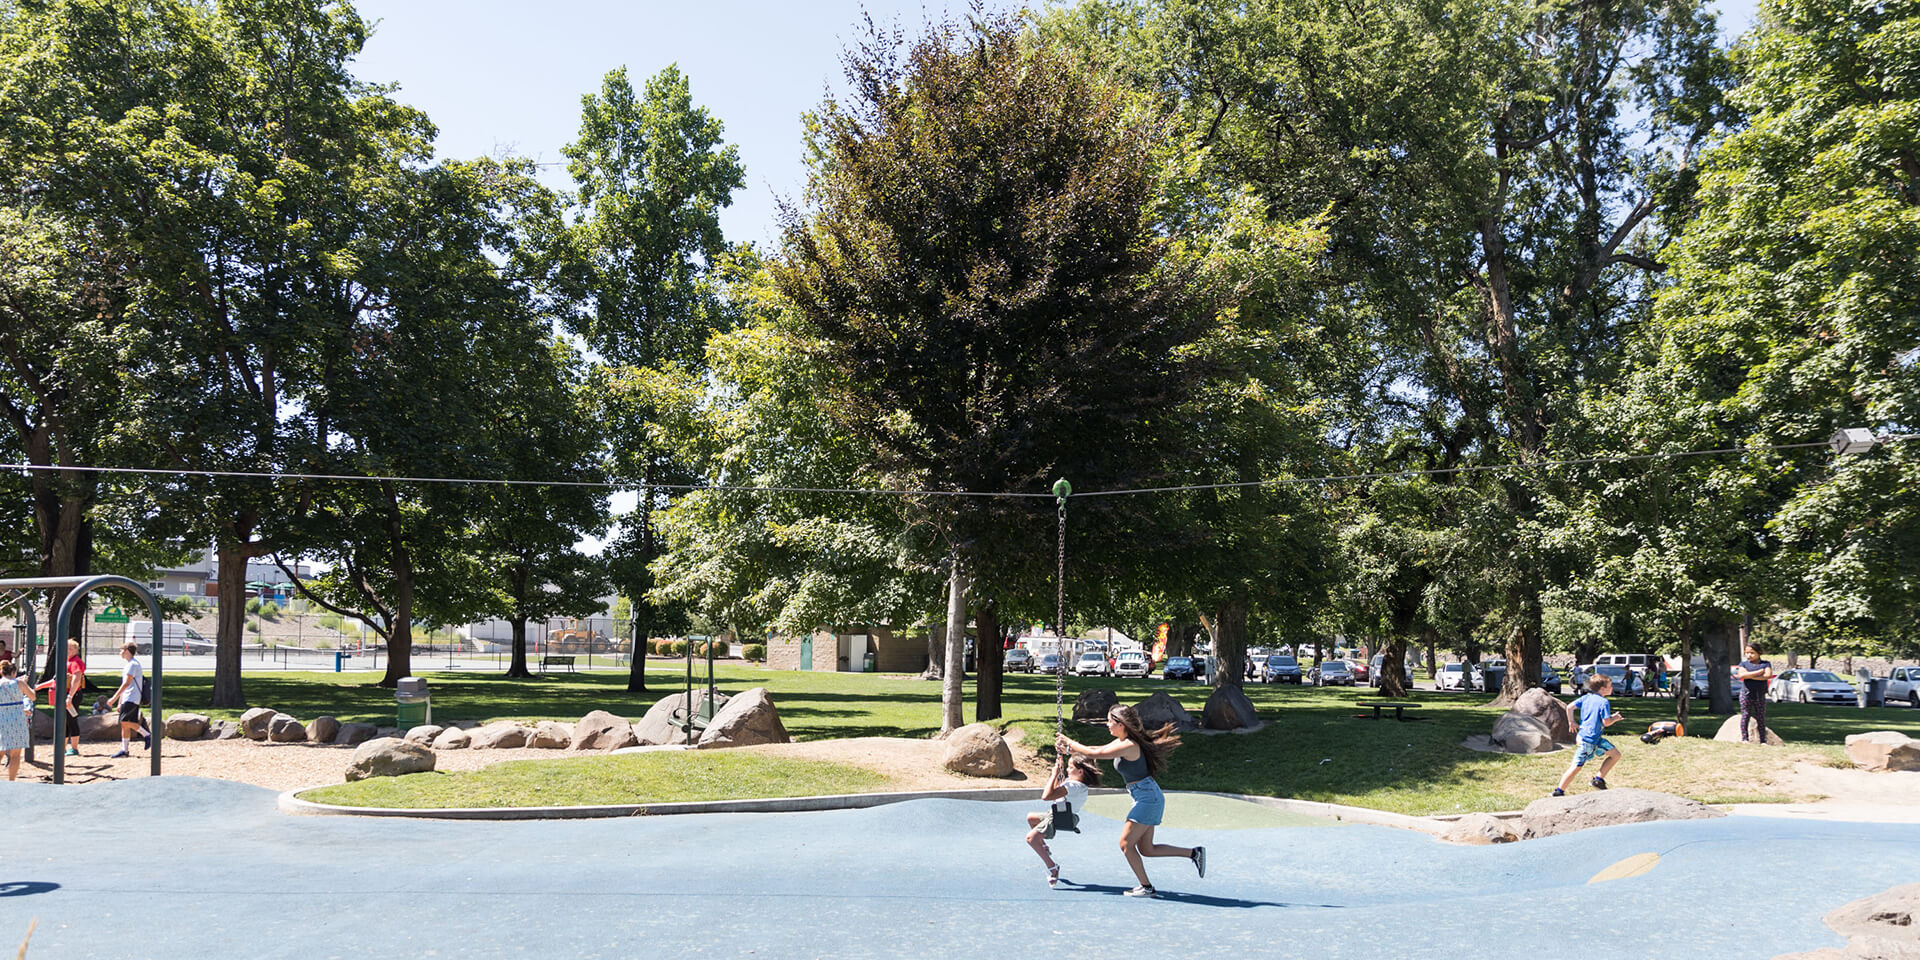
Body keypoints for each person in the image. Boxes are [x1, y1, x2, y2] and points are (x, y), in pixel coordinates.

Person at [1055, 705, 1205, 898]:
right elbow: (1095, 749)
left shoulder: (1129, 745)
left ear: (1121, 723)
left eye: (1110, 721)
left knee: (1126, 844)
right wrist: (1068, 749)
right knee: (1146, 849)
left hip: (1147, 798)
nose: (1107, 724)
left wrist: (1069, 740)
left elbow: (1095, 755)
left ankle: (1146, 887)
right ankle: (1194, 853)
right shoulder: (1123, 741)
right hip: (1145, 796)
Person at [1024, 753, 1100, 886]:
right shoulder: (1077, 785)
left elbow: (1046, 796)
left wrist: (1054, 774)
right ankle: (1044, 847)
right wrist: (1059, 765)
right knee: (1031, 818)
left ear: (1080, 771)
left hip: (1062, 816)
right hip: (1060, 813)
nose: (1067, 770)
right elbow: (1056, 788)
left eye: (1070, 767)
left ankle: (1053, 867)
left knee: (1031, 838)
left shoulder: (1074, 786)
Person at [1553, 674, 1623, 796]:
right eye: (1610, 686)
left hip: (1593, 738)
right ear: (1602, 689)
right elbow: (1606, 722)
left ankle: (1598, 780)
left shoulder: (1586, 698)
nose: (1612, 688)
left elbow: (1569, 707)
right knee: (1576, 766)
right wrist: (1615, 718)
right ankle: (1559, 791)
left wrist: (1572, 722)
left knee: (1615, 754)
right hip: (1588, 740)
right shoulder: (1604, 702)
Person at [106, 641, 151, 758]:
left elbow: (126, 683)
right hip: (127, 697)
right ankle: (124, 750)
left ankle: (146, 734)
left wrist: (113, 698)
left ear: (126, 651)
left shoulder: (133, 665)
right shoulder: (129, 664)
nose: (120, 652)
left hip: (132, 697)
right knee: (125, 725)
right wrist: (120, 702)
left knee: (124, 722)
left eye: (121, 650)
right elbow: (125, 685)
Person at [1733, 644, 1775, 743]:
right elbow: (1742, 675)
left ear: (1759, 653)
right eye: (1747, 653)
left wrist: (1750, 675)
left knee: (1760, 717)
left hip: (1760, 694)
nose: (1749, 655)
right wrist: (1758, 672)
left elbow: (1767, 675)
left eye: (1752, 653)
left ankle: (1763, 740)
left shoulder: (1766, 664)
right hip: (1746, 694)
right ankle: (1744, 738)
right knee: (1745, 715)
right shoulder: (1743, 664)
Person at [0, 660, 33, 780]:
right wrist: (25, 683)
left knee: (1, 750)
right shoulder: (19, 683)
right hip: (18, 720)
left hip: (2, 720)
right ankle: (11, 781)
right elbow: (32, 696)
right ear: (14, 672)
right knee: (15, 754)